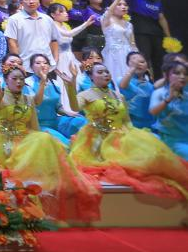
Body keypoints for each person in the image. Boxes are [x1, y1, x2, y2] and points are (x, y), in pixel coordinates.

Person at [0, 65, 101, 223]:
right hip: (1, 139)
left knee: (45, 138)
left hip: (23, 138)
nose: (18, 82)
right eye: (14, 79)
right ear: (6, 81)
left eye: (21, 79)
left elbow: (35, 127)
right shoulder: (0, 96)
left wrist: (39, 140)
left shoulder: (29, 99)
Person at [70, 63, 188, 202]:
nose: (105, 74)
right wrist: (70, 84)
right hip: (95, 140)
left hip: (118, 137)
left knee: (149, 161)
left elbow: (126, 121)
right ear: (91, 76)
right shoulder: (85, 94)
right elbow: (75, 107)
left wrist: (130, 137)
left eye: (107, 72)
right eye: (100, 72)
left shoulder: (119, 96)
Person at [117, 0, 174, 77]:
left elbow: (162, 18)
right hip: (141, 33)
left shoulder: (156, 0)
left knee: (159, 61)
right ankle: (144, 81)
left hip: (157, 33)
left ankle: (159, 82)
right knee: (144, 59)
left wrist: (168, 36)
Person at [26, 52, 85, 143]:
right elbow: (36, 102)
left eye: (45, 63)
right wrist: (42, 81)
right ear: (31, 67)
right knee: (64, 142)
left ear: (49, 67)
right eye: (38, 63)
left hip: (56, 121)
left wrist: (67, 112)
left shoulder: (54, 83)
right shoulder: (27, 83)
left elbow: (58, 107)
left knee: (80, 121)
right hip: (39, 124)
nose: (42, 65)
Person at [4, 0, 60, 66]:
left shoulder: (47, 19)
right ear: (21, 3)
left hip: (47, 64)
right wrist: (18, 63)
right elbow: (11, 43)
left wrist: (55, 60)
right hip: (25, 65)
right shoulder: (14, 19)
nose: (31, 2)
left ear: (39, 2)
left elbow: (54, 41)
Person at [150, 62, 188, 159]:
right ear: (166, 75)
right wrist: (168, 99)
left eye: (186, 74)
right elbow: (153, 111)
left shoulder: (186, 94)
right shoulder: (159, 93)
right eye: (177, 73)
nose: (182, 76)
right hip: (171, 140)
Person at [100, 0, 136, 82]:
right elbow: (108, 13)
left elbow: (132, 43)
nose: (123, 7)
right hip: (113, 54)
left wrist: (137, 56)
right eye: (119, 4)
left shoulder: (129, 24)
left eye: (125, 5)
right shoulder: (107, 20)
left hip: (128, 53)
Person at [120, 52, 156, 129]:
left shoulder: (150, 86)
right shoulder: (122, 80)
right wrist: (133, 69)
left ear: (147, 66)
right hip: (132, 126)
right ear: (128, 64)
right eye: (134, 61)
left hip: (150, 124)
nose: (138, 64)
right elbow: (123, 85)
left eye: (142, 62)